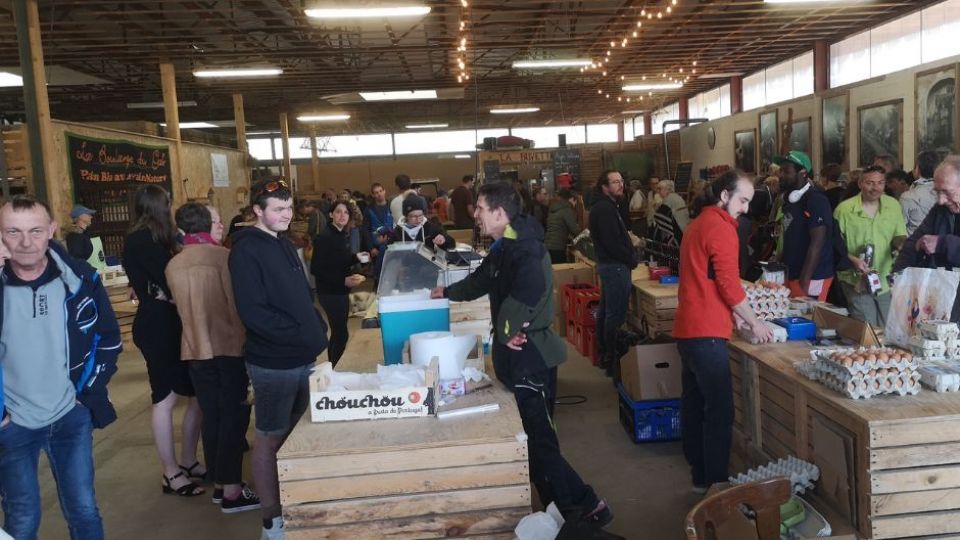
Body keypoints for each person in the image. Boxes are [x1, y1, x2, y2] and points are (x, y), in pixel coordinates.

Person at [430, 182, 613, 529]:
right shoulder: (505, 245)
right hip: (518, 355)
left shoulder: (525, 248)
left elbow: (529, 292)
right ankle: (569, 508)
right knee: (531, 441)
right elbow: (482, 280)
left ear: (500, 214)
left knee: (540, 443)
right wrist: (447, 292)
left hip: (532, 358)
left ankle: (580, 511)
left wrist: (509, 327)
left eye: (481, 208)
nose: (475, 214)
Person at [0, 195, 122, 539]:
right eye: (13, 231)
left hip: (70, 415)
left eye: (36, 231)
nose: (26, 242)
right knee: (22, 518)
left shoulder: (80, 279)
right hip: (13, 424)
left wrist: (87, 393)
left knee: (84, 510)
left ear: (52, 230)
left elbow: (108, 339)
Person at [229, 179, 328, 539]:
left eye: (288, 208)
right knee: (270, 437)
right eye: (278, 209)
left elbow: (300, 296)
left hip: (303, 357)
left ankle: (296, 506)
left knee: (298, 434)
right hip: (273, 363)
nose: (287, 215)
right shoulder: (245, 250)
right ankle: (272, 520)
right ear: (258, 210)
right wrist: (298, 334)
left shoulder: (282, 242)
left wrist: (315, 325)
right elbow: (253, 312)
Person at [675, 171, 773, 492]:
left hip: (688, 328)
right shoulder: (721, 228)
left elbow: (708, 279)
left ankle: (699, 476)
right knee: (719, 411)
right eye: (742, 200)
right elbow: (729, 284)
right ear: (724, 195)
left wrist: (736, 316)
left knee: (694, 405)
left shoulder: (698, 223)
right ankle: (717, 484)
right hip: (707, 332)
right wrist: (755, 321)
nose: (745, 208)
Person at [165, 203, 260, 513]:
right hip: (228, 346)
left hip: (194, 349)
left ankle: (220, 483)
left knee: (213, 416)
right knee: (234, 417)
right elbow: (235, 306)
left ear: (181, 228)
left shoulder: (174, 264)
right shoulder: (223, 257)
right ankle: (232, 491)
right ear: (208, 224)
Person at [122, 185, 205, 498]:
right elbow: (170, 281)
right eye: (168, 204)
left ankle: (188, 460)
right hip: (157, 325)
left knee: (194, 393)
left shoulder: (159, 237)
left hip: (172, 320)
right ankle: (170, 472)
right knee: (165, 398)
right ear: (161, 206)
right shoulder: (142, 239)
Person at [833, 167, 907, 328]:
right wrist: (852, 260)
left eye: (880, 183)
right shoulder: (844, 210)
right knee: (868, 329)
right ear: (860, 183)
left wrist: (901, 244)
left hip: (884, 278)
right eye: (870, 183)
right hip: (855, 280)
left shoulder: (893, 205)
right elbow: (834, 246)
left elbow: (899, 234)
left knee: (888, 328)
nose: (875, 188)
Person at [893, 155, 960, 320]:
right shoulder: (941, 209)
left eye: (947, 192)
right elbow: (913, 242)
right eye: (937, 192)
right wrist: (898, 277)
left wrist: (943, 244)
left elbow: (940, 243)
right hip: (944, 297)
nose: (941, 200)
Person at [589, 170, 638, 377]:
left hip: (612, 266)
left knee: (607, 312)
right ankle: (612, 359)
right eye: (615, 182)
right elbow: (611, 243)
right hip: (615, 267)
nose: (620, 185)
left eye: (621, 181)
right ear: (604, 187)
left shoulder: (607, 206)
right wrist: (631, 259)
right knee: (615, 315)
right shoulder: (605, 209)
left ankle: (606, 355)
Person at [312, 201, 368, 366]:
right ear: (331, 215)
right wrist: (342, 280)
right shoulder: (325, 237)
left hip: (340, 290)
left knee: (339, 333)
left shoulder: (340, 234)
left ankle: (332, 368)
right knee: (341, 334)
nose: (343, 215)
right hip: (330, 292)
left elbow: (339, 260)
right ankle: (333, 368)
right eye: (338, 212)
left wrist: (356, 257)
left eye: (346, 212)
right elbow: (316, 268)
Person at [775, 150, 835, 301]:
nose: (780, 175)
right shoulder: (789, 200)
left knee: (808, 314)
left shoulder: (816, 200)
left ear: (802, 173)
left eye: (786, 171)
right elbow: (789, 232)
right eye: (780, 171)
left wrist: (804, 282)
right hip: (793, 272)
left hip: (813, 276)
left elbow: (817, 243)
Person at [901, 150, 940, 236]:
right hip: (941, 242)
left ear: (917, 169)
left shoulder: (907, 196)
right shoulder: (946, 193)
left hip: (915, 242)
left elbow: (900, 227)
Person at [364, 182, 394, 282]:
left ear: (384, 191)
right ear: (373, 195)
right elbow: (365, 230)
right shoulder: (368, 210)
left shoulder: (392, 206)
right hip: (376, 247)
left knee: (391, 272)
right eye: (376, 192)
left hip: (392, 245)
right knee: (379, 275)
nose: (379, 194)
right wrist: (371, 248)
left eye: (380, 191)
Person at [544, 189, 582, 264]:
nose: (575, 204)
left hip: (547, 246)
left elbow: (558, 227)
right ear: (571, 199)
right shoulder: (566, 210)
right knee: (562, 269)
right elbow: (575, 230)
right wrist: (585, 235)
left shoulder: (553, 208)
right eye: (575, 201)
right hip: (558, 248)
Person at [651, 179, 690, 247]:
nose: (658, 191)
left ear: (667, 190)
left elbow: (658, 217)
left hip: (677, 232)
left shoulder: (668, 200)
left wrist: (656, 209)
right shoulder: (677, 197)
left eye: (660, 189)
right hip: (684, 230)